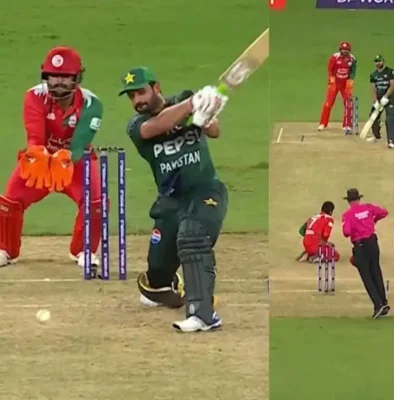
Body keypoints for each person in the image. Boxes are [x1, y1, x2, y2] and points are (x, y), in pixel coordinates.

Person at [120, 66, 230, 332]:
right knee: (156, 278)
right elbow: (157, 126)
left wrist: (205, 115)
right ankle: (169, 286)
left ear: (156, 87)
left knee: (192, 235)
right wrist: (192, 104)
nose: (137, 100)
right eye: (132, 96)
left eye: (141, 92)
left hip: (205, 191)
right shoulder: (136, 126)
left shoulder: (183, 98)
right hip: (170, 202)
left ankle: (203, 315)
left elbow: (215, 131)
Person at [0, 46, 104, 271]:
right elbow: (35, 137)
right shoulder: (34, 96)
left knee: (95, 200)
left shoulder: (92, 103)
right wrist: (40, 155)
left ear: (77, 77)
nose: (59, 82)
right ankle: (5, 249)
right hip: (40, 161)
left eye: (65, 77)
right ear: (45, 76)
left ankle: (84, 250)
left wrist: (66, 159)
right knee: (11, 197)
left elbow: (79, 144)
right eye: (53, 76)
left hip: (74, 162)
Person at [341, 188, 390, 319]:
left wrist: (355, 227)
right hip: (373, 243)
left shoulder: (348, 214)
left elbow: (346, 232)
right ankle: (383, 301)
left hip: (360, 246)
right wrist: (373, 221)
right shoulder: (368, 208)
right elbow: (384, 212)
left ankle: (378, 305)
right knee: (376, 272)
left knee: (367, 276)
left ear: (348, 201)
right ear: (359, 199)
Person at [318, 41, 357, 135]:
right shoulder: (334, 57)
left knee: (348, 104)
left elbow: (353, 71)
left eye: (346, 50)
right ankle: (323, 124)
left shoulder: (352, 59)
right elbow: (329, 69)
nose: (344, 51)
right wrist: (331, 77)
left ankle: (347, 125)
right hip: (334, 83)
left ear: (349, 50)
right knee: (328, 104)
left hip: (345, 84)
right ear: (340, 49)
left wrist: (351, 79)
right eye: (343, 49)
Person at [366, 55, 394, 148]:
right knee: (373, 116)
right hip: (379, 99)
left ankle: (391, 141)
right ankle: (376, 136)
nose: (378, 63)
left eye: (379, 61)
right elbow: (373, 89)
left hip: (389, 99)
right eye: (376, 61)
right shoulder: (373, 75)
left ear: (383, 61)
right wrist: (376, 101)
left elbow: (392, 85)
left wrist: (386, 97)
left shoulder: (390, 71)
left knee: (390, 118)